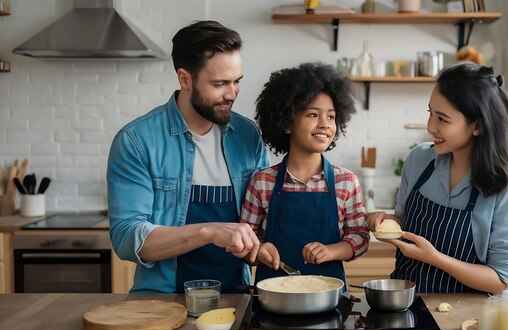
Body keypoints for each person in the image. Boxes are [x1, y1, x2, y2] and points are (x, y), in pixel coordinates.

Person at [107, 20, 270, 293]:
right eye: (219, 83)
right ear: (185, 78)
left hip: (237, 297)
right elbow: (126, 239)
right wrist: (208, 232)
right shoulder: (137, 141)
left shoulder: (247, 135)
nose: (232, 94)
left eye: (236, 81)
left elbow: (261, 218)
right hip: (164, 302)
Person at [366, 62, 508, 294]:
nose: (430, 126)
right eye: (430, 113)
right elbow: (405, 222)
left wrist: (436, 259)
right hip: (405, 304)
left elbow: (500, 279)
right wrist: (388, 221)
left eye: (442, 119)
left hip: (465, 318)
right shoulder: (419, 160)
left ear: (477, 125)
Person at [240, 62, 369, 284]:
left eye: (331, 116)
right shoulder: (261, 182)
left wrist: (331, 251)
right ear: (287, 122)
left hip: (330, 297)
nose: (324, 124)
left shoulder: (346, 182)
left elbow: (360, 236)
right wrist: (258, 250)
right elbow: (245, 242)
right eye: (312, 115)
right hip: (273, 298)